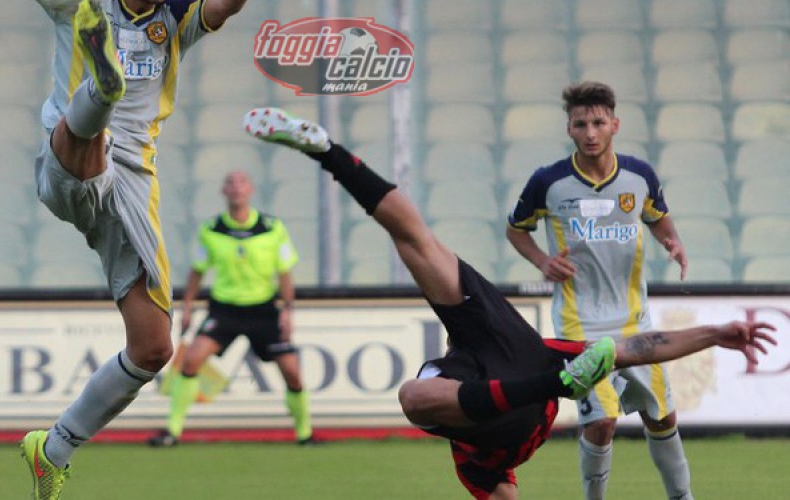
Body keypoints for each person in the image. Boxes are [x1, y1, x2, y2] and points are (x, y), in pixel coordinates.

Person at [241, 107, 776, 500]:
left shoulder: (478, 464)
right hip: (514, 352)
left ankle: (325, 150)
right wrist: (716, 333)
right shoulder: (523, 405)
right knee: (415, 245)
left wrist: (715, 334)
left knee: (414, 383)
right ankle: (326, 151)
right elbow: (636, 346)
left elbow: (638, 345)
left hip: (490, 356)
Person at [22, 0, 247, 497]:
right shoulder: (80, 6)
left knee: (153, 347)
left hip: (133, 189)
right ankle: (102, 89)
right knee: (88, 143)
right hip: (70, 158)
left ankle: (53, 449)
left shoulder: (176, 22)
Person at [506, 81, 692, 500]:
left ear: (615, 125)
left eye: (598, 122)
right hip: (579, 325)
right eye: (580, 124)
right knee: (601, 420)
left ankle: (683, 497)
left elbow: (658, 217)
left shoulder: (638, 176)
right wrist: (542, 261)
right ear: (569, 129)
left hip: (635, 322)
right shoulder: (548, 182)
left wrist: (672, 241)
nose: (590, 132)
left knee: (661, 417)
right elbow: (516, 230)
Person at [147, 170, 315, 447]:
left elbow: (285, 273)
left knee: (292, 372)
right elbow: (197, 271)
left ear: (250, 190)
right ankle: (172, 431)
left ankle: (304, 434)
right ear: (223, 191)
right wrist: (187, 307)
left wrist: (287, 311)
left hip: (263, 309)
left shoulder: (272, 228)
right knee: (191, 361)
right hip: (225, 310)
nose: (236, 188)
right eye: (230, 183)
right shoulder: (211, 229)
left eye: (241, 182)